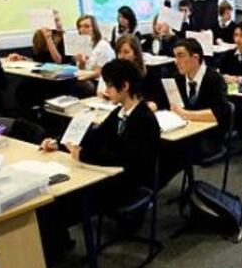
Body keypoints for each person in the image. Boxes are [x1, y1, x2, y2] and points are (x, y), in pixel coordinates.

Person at [40, 59, 158, 211]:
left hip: (131, 184)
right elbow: (95, 137)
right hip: (112, 175)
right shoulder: (119, 112)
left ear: (125, 86)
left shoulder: (145, 119)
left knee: (65, 198)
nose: (106, 91)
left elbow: (127, 159)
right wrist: (60, 143)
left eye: (109, 86)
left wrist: (84, 156)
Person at [160, 38, 229, 164]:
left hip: (208, 135)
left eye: (180, 56)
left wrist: (185, 114)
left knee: (169, 152)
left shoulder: (215, 79)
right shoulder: (177, 78)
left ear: (195, 57)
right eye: (175, 56)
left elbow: (217, 114)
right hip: (185, 129)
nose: (176, 61)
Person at [98, 35, 165, 112]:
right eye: (119, 52)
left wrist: (155, 105)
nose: (121, 56)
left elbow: (162, 100)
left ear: (136, 54)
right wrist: (108, 95)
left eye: (126, 52)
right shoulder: (114, 72)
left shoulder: (149, 74)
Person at [74, 15, 115, 95]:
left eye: (87, 26)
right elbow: (81, 68)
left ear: (94, 28)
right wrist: (82, 62)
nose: (82, 30)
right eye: (80, 27)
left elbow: (99, 72)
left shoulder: (102, 45)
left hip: (101, 81)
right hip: (87, 78)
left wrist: (80, 76)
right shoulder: (82, 45)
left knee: (81, 84)